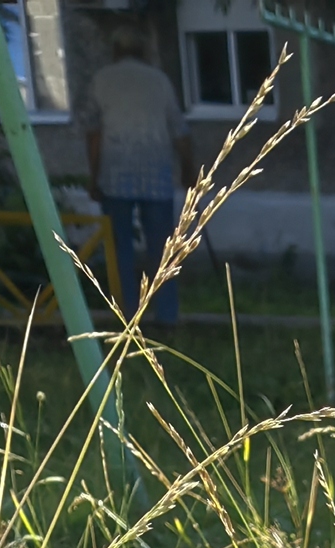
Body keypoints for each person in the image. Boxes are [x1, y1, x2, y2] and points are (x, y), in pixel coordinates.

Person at [79, 25, 197, 330]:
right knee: (163, 250)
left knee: (120, 251)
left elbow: (94, 134)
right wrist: (188, 169)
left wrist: (94, 177)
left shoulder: (101, 80)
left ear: (115, 51)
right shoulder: (159, 81)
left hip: (115, 174)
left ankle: (127, 317)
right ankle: (167, 316)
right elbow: (179, 131)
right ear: (143, 52)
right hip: (156, 174)